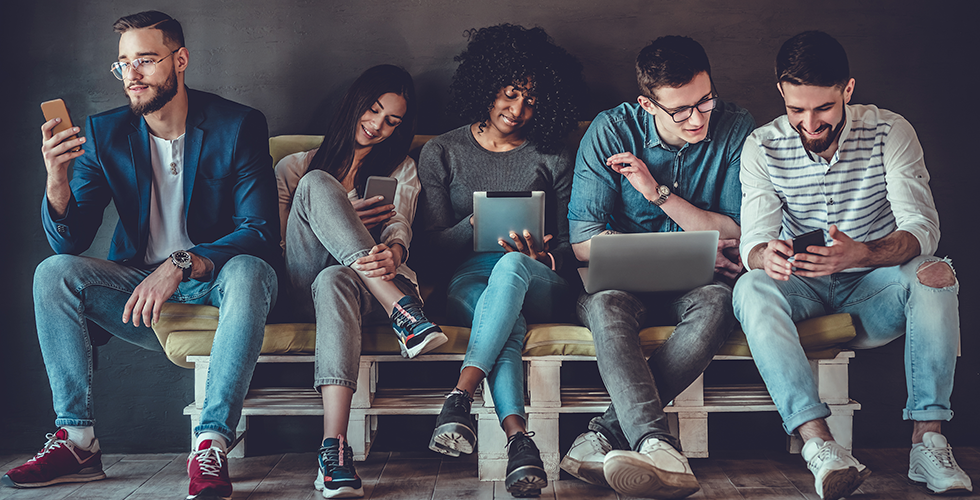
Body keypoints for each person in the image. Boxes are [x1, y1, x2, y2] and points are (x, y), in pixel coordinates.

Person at [0, 11, 281, 500]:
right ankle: (78, 441)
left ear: (181, 60)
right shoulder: (106, 133)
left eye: (146, 61)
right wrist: (57, 179)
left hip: (220, 283)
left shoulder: (238, 125)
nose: (132, 74)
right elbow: (69, 242)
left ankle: (210, 443)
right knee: (53, 273)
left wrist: (179, 264)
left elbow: (257, 232)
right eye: (124, 64)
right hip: (139, 293)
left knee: (251, 270)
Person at [733, 30, 972, 499]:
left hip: (872, 292)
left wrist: (862, 253)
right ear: (781, 93)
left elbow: (923, 230)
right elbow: (753, 243)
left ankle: (928, 441)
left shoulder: (891, 131)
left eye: (822, 108)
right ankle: (821, 447)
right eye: (796, 108)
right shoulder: (761, 146)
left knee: (936, 270)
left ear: (848, 90)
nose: (809, 122)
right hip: (801, 289)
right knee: (750, 287)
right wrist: (766, 254)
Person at [561, 36, 755, 499]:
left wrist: (657, 194)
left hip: (699, 283)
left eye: (705, 101)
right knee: (606, 306)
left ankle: (602, 437)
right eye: (681, 110)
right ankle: (655, 442)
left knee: (719, 303)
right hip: (619, 285)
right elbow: (584, 243)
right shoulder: (610, 131)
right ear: (648, 104)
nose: (697, 118)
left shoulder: (735, 125)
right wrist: (695, 236)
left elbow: (737, 231)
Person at [417, 24, 585, 498]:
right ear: (487, 86)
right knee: (501, 317)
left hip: (539, 279)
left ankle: (460, 396)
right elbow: (427, 249)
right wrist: (470, 227)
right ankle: (519, 442)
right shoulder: (442, 151)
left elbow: (577, 241)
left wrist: (545, 255)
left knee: (510, 270)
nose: (518, 110)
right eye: (510, 95)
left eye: (532, 101)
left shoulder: (552, 153)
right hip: (467, 283)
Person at [276, 64, 445, 499]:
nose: (378, 126)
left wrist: (395, 251)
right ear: (355, 103)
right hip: (304, 282)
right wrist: (343, 214)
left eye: (392, 121)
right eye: (373, 111)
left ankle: (333, 451)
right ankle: (404, 313)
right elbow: (280, 243)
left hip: (358, 289)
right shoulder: (295, 167)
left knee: (336, 277)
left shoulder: (401, 168)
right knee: (317, 184)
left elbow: (399, 226)